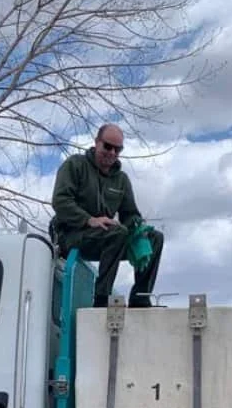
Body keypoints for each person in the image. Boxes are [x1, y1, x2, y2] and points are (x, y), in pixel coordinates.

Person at [51, 123, 164, 308]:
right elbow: (60, 201)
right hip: (72, 237)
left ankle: (140, 298)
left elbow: (130, 214)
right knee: (116, 232)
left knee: (155, 238)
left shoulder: (121, 180)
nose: (112, 152)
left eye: (117, 149)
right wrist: (89, 220)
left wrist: (138, 227)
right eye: (107, 146)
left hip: (108, 240)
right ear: (97, 142)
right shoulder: (75, 165)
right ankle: (102, 299)